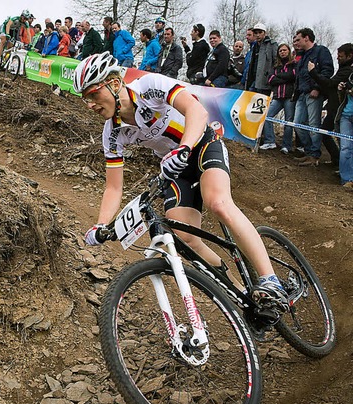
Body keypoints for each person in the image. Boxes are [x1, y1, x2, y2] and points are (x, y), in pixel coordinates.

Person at [74, 52, 289, 312]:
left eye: (94, 94)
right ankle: (243, 297)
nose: (90, 104)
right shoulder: (112, 133)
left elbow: (195, 110)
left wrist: (184, 147)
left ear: (115, 84)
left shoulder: (149, 87)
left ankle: (271, 281)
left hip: (201, 144)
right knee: (184, 236)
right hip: (175, 166)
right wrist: (101, 224)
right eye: (85, 99)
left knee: (218, 203)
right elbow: (114, 187)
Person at [293, 27, 335, 166]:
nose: (296, 43)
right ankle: (309, 151)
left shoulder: (321, 51)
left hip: (314, 94)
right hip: (301, 93)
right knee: (297, 124)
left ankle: (314, 156)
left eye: (298, 39)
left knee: (314, 126)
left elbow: (327, 70)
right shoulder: (302, 55)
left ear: (307, 38)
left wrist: (317, 88)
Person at [307, 43, 353, 168]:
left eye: (341, 56)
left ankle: (341, 163)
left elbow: (330, 83)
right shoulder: (343, 69)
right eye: (337, 55)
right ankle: (337, 160)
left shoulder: (348, 71)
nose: (337, 58)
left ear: (349, 56)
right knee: (326, 133)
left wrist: (313, 72)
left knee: (342, 140)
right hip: (333, 107)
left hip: (339, 111)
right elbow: (332, 88)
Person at [260, 44, 297, 153]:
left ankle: (287, 145)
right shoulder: (275, 66)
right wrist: (286, 77)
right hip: (277, 96)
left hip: (289, 97)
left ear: (289, 51)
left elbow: (293, 75)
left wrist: (279, 76)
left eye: (284, 50)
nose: (282, 52)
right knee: (267, 116)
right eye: (280, 51)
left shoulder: (294, 64)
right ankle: (269, 141)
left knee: (288, 121)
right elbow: (271, 79)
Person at [243, 23, 276, 95]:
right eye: (255, 33)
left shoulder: (271, 44)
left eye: (260, 32)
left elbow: (276, 61)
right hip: (254, 80)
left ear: (265, 33)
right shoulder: (254, 46)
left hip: (265, 81)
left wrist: (271, 76)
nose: (258, 35)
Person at [337, 72, 353, 189]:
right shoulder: (350, 77)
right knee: (345, 147)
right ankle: (347, 179)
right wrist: (341, 89)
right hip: (346, 115)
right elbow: (342, 99)